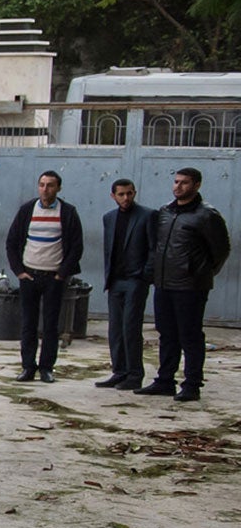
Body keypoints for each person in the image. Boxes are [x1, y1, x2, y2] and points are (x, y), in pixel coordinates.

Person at [138, 166, 231, 402]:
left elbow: (221, 250)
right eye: (176, 182)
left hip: (191, 287)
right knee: (167, 334)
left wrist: (200, 273)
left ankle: (192, 384)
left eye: (185, 183)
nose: (178, 187)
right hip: (164, 284)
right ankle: (165, 380)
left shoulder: (206, 215)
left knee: (189, 336)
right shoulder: (165, 213)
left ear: (197, 185)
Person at [4, 170, 83, 383]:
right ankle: (28, 367)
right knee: (28, 323)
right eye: (41, 184)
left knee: (50, 324)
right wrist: (19, 271)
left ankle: (47, 367)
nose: (45, 189)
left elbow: (76, 246)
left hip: (54, 278)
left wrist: (61, 274)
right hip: (29, 275)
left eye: (50, 185)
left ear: (58, 188)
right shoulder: (27, 210)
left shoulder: (67, 212)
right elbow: (12, 242)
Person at [97, 178, 156, 389]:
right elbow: (108, 248)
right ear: (113, 195)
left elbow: (153, 248)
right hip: (115, 281)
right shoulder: (109, 218)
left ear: (134, 193)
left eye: (129, 193)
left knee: (131, 327)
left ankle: (134, 374)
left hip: (135, 280)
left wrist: (144, 275)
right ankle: (119, 371)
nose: (126, 198)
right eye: (121, 194)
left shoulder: (147, 215)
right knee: (115, 329)